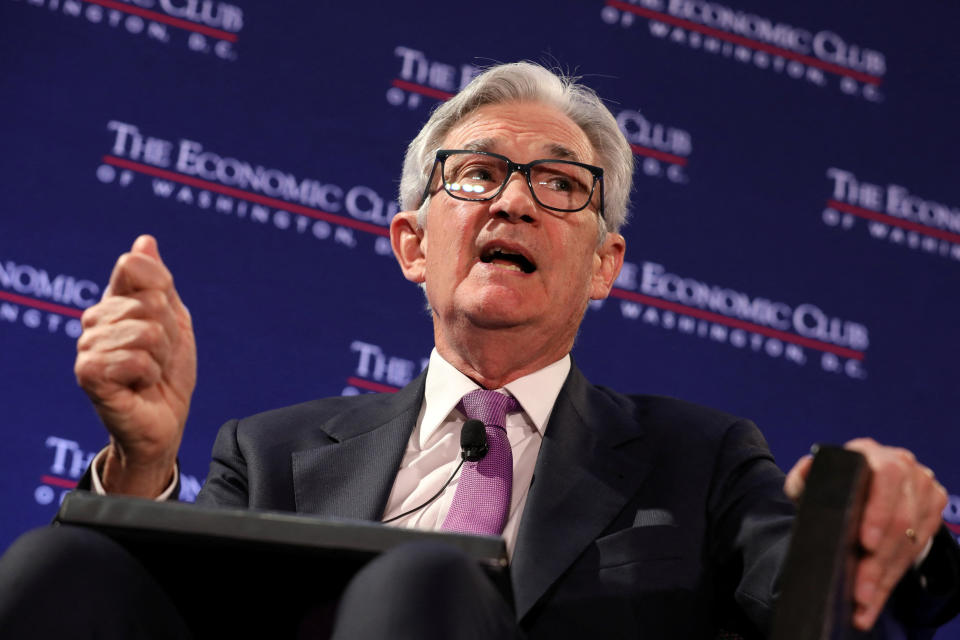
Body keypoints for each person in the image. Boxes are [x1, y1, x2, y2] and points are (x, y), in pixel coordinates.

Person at [1, 62, 957, 639]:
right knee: (60, 564)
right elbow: (168, 615)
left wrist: (866, 520)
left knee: (426, 574)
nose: (515, 201)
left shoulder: (696, 461)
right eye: (481, 174)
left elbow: (811, 597)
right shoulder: (272, 453)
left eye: (560, 185)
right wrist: (146, 463)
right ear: (413, 245)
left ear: (604, 266)